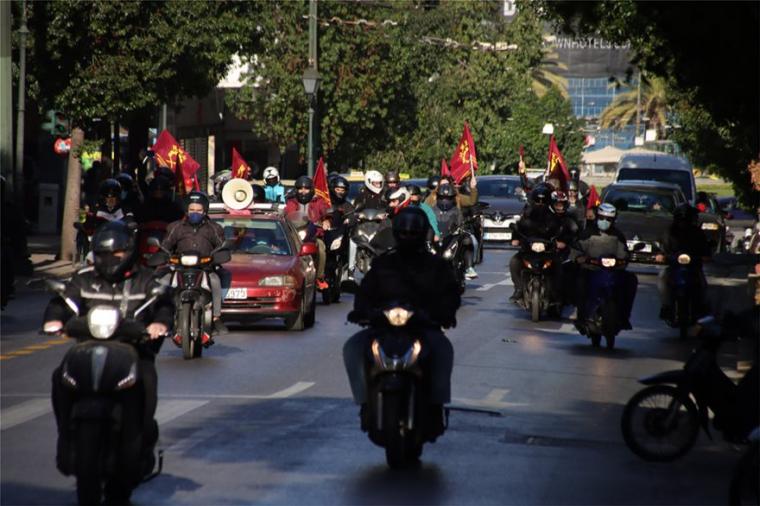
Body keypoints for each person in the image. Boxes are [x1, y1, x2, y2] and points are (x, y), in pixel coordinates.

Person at [42, 221, 173, 481]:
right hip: (87, 347)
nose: (110, 258)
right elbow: (62, 301)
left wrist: (159, 323)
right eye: (103, 253)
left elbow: (164, 305)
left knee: (147, 380)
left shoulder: (145, 279)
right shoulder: (84, 278)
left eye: (117, 253)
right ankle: (66, 435)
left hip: (133, 350)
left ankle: (141, 438)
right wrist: (54, 319)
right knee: (60, 376)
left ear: (129, 251)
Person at [343, 207, 460, 436]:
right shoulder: (383, 264)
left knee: (443, 349)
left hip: (423, 327)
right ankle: (365, 402)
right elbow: (366, 291)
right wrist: (361, 311)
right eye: (404, 233)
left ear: (422, 234)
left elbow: (450, 293)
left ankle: (435, 406)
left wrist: (445, 313)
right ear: (396, 234)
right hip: (383, 327)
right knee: (353, 348)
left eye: (413, 233)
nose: (408, 237)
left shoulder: (436, 266)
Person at [161, 191, 229, 335]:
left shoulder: (214, 228)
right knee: (163, 282)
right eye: (192, 209)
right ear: (186, 210)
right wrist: (163, 254)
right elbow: (165, 245)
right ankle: (162, 318)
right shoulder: (175, 227)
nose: (195, 213)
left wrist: (218, 256)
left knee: (215, 281)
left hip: (205, 267)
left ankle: (216, 317)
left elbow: (222, 245)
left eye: (199, 210)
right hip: (180, 267)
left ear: (205, 211)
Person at [571, 203, 637, 330]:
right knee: (580, 282)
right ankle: (581, 317)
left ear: (613, 220)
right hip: (591, 270)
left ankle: (624, 317)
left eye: (608, 219)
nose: (605, 221)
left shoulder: (618, 235)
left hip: (612, 272)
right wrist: (579, 258)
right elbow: (576, 249)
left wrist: (623, 260)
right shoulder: (587, 234)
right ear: (597, 217)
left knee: (631, 280)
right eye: (602, 218)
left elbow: (624, 254)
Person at [655, 204, 712, 320]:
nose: (684, 223)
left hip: (693, 268)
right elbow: (662, 247)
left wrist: (705, 257)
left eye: (687, 219)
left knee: (703, 284)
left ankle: (702, 306)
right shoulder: (669, 232)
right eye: (681, 219)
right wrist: (661, 255)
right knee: (662, 277)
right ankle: (666, 306)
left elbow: (706, 250)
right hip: (674, 267)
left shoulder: (698, 233)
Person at [509, 185, 564, 303]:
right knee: (514, 262)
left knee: (558, 265)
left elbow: (559, 229)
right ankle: (518, 289)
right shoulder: (526, 215)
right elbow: (519, 228)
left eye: (543, 201)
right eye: (538, 201)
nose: (540, 204)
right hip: (528, 250)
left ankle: (556, 293)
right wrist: (516, 239)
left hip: (547, 251)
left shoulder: (553, 217)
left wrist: (560, 241)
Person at [284, 176, 332, 290]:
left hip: (314, 234)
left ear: (311, 189)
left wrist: (326, 220)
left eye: (306, 188)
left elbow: (326, 212)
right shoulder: (291, 202)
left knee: (321, 247)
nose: (303, 191)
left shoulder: (318, 201)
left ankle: (319, 277)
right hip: (295, 235)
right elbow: (287, 213)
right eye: (300, 188)